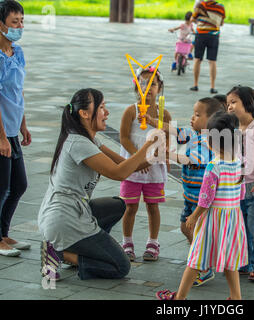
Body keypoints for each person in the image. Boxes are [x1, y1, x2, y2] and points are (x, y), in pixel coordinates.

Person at [38, 88, 164, 281]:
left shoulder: (90, 139)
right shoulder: (79, 143)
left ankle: (74, 247)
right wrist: (147, 145)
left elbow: (126, 165)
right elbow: (119, 173)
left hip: (70, 212)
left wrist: (160, 151)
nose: (107, 113)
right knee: (120, 266)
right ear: (84, 113)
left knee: (117, 205)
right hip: (63, 219)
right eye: (102, 107)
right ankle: (59, 253)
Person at [156, 111, 248, 300]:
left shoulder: (213, 165)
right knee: (230, 260)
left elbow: (206, 198)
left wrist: (194, 216)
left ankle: (179, 297)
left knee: (195, 258)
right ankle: (236, 297)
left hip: (212, 220)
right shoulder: (239, 163)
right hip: (232, 218)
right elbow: (242, 193)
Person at [145, 97, 224, 286]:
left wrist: (168, 155)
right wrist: (152, 121)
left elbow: (192, 159)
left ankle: (203, 266)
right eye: (193, 113)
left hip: (202, 198)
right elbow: (173, 129)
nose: (192, 118)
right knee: (185, 227)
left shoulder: (209, 141)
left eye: (197, 115)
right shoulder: (192, 133)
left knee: (196, 230)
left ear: (212, 119)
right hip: (190, 195)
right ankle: (201, 256)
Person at [119, 66, 171, 262]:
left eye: (153, 84)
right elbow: (124, 138)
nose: (148, 88)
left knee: (153, 206)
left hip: (154, 169)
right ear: (136, 86)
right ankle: (127, 242)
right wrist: (138, 158)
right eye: (143, 84)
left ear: (159, 88)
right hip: (131, 167)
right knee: (129, 206)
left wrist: (162, 154)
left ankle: (153, 241)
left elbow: (168, 138)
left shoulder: (163, 114)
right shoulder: (130, 111)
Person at [227, 86, 254, 282]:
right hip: (237, 188)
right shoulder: (233, 130)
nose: (229, 107)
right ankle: (244, 261)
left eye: (233, 102)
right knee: (241, 228)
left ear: (248, 104)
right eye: (228, 103)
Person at [0, 0, 31, 257]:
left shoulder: (17, 53)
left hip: (12, 129)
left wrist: (24, 125)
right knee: (1, 188)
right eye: (14, 22)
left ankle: (4, 233)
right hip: (1, 134)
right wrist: (2, 137)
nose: (20, 26)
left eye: (21, 21)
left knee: (19, 185)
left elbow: (18, 92)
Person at [190, 0, 225, 94]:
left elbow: (192, 19)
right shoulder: (221, 7)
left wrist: (202, 21)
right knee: (212, 61)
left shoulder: (200, 5)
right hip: (214, 36)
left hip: (201, 35)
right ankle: (212, 87)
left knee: (197, 60)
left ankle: (195, 85)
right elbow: (221, 23)